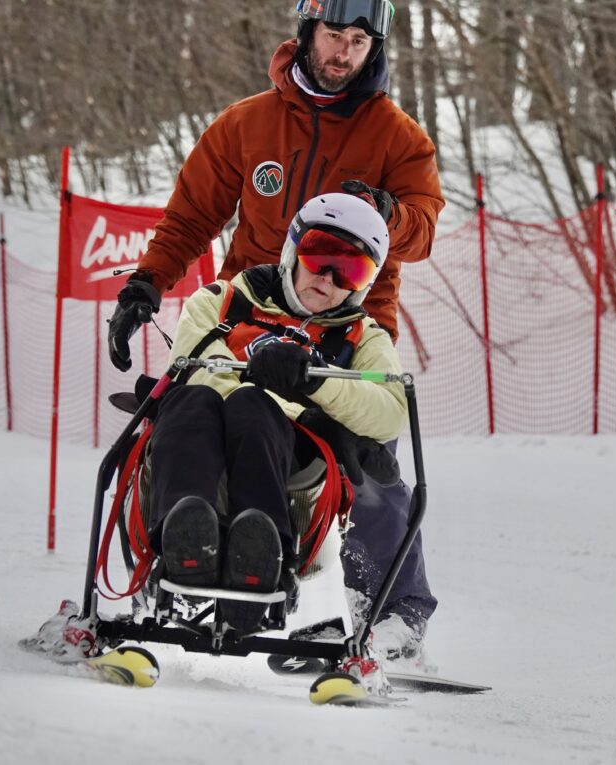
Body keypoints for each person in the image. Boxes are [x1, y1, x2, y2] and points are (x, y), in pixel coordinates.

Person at [106, 0, 441, 659]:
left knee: (370, 464)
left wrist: (389, 213)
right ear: (305, 31)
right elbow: (190, 216)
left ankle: (393, 616)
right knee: (187, 420)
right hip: (248, 313)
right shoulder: (247, 124)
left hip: (346, 325)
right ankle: (176, 567)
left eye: (358, 42)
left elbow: (425, 226)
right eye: (333, 36)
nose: (344, 53)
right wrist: (145, 283)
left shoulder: (398, 137)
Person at [151, 193, 404, 636]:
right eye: (318, 255)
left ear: (364, 283)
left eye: (350, 269)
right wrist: (294, 404)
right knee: (191, 399)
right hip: (200, 435)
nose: (327, 278)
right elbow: (196, 365)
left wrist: (315, 384)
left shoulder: (361, 336)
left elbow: (390, 412)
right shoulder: (223, 300)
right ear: (292, 249)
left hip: (287, 462)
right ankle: (181, 546)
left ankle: (263, 558)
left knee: (253, 408)